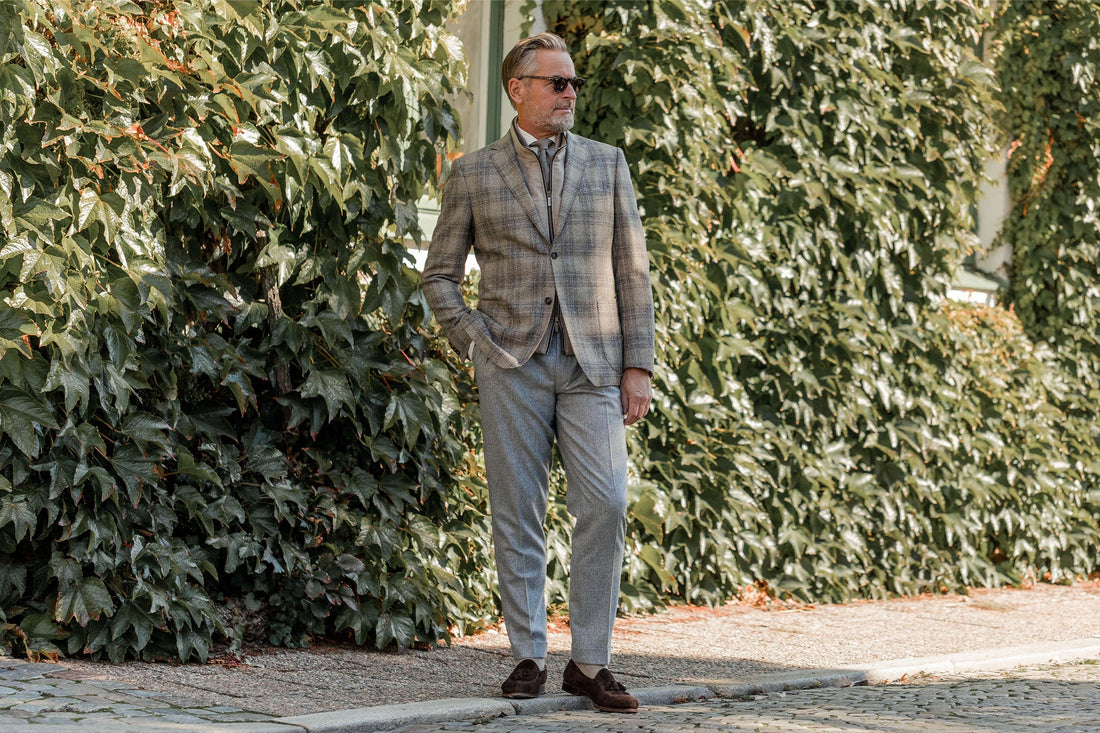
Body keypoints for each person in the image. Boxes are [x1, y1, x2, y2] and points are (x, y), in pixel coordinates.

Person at [422, 31, 654, 714]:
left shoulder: (608, 164)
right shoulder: (473, 172)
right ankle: (528, 653)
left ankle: (591, 660)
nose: (570, 94)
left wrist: (638, 363)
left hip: (593, 361)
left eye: (573, 83)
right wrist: (473, 340)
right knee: (517, 508)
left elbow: (631, 273)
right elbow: (439, 275)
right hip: (511, 360)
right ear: (517, 88)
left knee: (607, 501)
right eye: (556, 83)